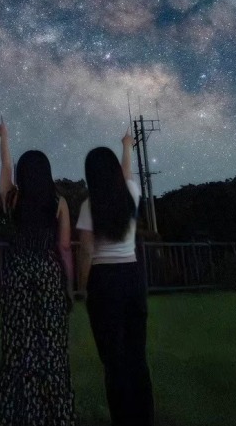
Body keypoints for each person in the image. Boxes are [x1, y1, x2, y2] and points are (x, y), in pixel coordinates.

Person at [0, 117, 76, 426]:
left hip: (17, 274)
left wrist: (4, 137)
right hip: (47, 273)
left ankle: (20, 414)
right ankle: (55, 414)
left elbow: (5, 168)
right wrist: (68, 287)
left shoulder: (13, 198)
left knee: (18, 345)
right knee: (51, 345)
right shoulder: (59, 202)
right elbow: (65, 247)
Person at [77, 131, 154, 426]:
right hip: (133, 277)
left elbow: (85, 251)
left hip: (104, 281)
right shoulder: (132, 194)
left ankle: (122, 418)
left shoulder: (89, 205)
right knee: (137, 353)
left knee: (113, 358)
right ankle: (143, 417)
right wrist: (126, 147)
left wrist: (83, 288)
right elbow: (128, 173)